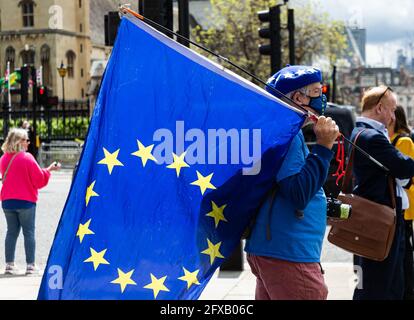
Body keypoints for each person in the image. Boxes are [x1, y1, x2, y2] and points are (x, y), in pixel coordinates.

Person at [244, 65, 339, 300]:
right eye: (318, 91)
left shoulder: (276, 129)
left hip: (274, 249)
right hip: (290, 253)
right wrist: (325, 146)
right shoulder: (288, 134)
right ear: (299, 97)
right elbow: (298, 192)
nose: (323, 98)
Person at [351, 87, 414, 300]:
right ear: (379, 108)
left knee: (376, 283)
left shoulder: (359, 132)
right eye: (392, 110)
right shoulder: (372, 137)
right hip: (380, 220)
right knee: (381, 286)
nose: (393, 116)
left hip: (373, 217)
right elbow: (405, 167)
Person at [0, 128, 61, 275]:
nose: (28, 143)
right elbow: (39, 180)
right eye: (26, 140)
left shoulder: (3, 159)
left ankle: (9, 265)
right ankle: (30, 266)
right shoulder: (27, 157)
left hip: (7, 201)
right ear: (19, 142)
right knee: (29, 232)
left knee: (11, 232)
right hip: (25, 201)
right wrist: (50, 170)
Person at [388, 105, 414, 300]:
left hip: (406, 205)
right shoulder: (387, 139)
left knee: (405, 255)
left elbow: (405, 174)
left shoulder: (403, 140)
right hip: (395, 206)